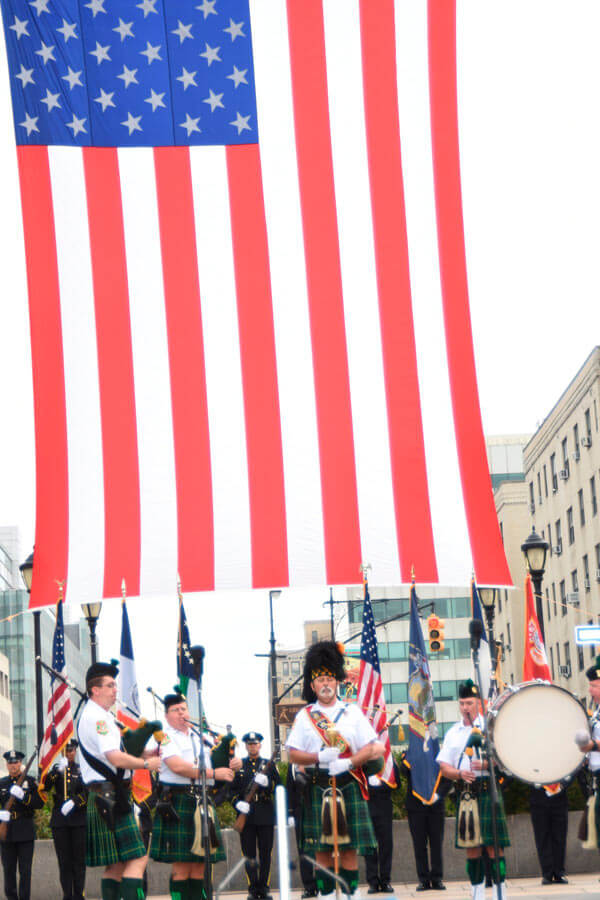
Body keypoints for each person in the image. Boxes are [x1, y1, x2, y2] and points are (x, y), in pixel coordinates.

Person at [286, 640, 385, 897]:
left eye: (330, 678)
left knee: (349, 852)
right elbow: (292, 753)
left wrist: (349, 762)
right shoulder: (305, 716)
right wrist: (317, 756)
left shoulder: (352, 712)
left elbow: (373, 747)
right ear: (312, 685)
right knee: (322, 854)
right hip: (318, 786)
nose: (326, 684)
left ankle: (350, 896)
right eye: (320, 680)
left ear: (337, 681)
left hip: (349, 783)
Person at [77, 660, 161, 900]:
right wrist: (146, 765)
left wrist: (146, 754)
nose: (116, 690)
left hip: (107, 796)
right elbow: (114, 758)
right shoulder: (99, 719)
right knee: (138, 857)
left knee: (115, 866)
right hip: (110, 796)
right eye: (111, 685)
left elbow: (117, 751)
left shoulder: (101, 716)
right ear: (95, 690)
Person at [150, 692, 239, 900]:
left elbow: (221, 758)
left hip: (202, 801)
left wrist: (235, 762)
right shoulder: (167, 738)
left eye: (184, 709)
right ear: (167, 716)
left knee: (200, 865)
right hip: (179, 801)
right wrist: (213, 773)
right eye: (176, 710)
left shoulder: (203, 737)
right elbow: (177, 766)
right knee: (181, 867)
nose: (182, 713)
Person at [436, 680, 510, 900]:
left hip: (488, 791)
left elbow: (506, 758)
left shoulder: (491, 728)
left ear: (479, 703)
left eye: (469, 703)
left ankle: (500, 892)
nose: (465, 707)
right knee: (472, 847)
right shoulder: (453, 732)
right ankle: (477, 892)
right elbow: (443, 766)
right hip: (466, 794)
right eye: (462, 703)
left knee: (494, 847)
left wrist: (489, 764)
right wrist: (459, 774)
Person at [232, 731, 280, 900]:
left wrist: (268, 785)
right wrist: (237, 804)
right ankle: (253, 889)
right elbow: (231, 789)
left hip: (265, 812)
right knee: (249, 853)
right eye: (250, 744)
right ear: (246, 746)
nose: (253, 746)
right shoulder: (240, 765)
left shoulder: (269, 764)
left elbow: (280, 786)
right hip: (246, 815)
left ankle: (264, 888)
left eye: (255, 743)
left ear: (260, 745)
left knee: (266, 853)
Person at [44, 738, 88, 900]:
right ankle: (67, 895)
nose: (68, 753)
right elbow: (46, 787)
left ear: (75, 751)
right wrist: (56, 772)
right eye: (65, 750)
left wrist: (75, 801)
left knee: (79, 861)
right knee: (64, 861)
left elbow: (88, 792)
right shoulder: (57, 769)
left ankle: (79, 895)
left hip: (78, 820)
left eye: (71, 750)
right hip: (60, 821)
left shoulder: (82, 770)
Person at [0, 749, 44, 900]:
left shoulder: (30, 781)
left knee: (25, 871)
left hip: (25, 830)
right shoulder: (1, 783)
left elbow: (39, 803)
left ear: (21, 763)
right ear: (6, 765)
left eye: (16, 762)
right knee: (8, 871)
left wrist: (24, 797)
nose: (13, 765)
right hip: (6, 832)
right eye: (10, 763)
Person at [400, 754, 447, 892]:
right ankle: (423, 880)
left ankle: (437, 878)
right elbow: (404, 771)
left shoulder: (439, 752)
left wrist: (437, 795)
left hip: (436, 806)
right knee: (419, 844)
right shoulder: (412, 752)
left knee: (436, 843)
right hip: (415, 805)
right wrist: (412, 754)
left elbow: (447, 779)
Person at [363, 761, 399, 894]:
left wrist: (384, 782)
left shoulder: (389, 760)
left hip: (384, 805)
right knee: (369, 846)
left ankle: (385, 881)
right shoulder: (362, 762)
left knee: (386, 844)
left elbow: (397, 784)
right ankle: (372, 882)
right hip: (367, 804)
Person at [286, 764, 318, 898]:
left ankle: (323, 885)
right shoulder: (292, 766)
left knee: (321, 850)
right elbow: (290, 790)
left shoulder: (317, 759)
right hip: (300, 811)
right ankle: (309, 887)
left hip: (318, 808)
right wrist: (290, 813)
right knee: (303, 850)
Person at [529, 785, 568, 885]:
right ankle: (547, 874)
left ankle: (559, 872)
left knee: (560, 837)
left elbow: (570, 770)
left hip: (559, 796)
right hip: (538, 796)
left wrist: (563, 784)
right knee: (542, 837)